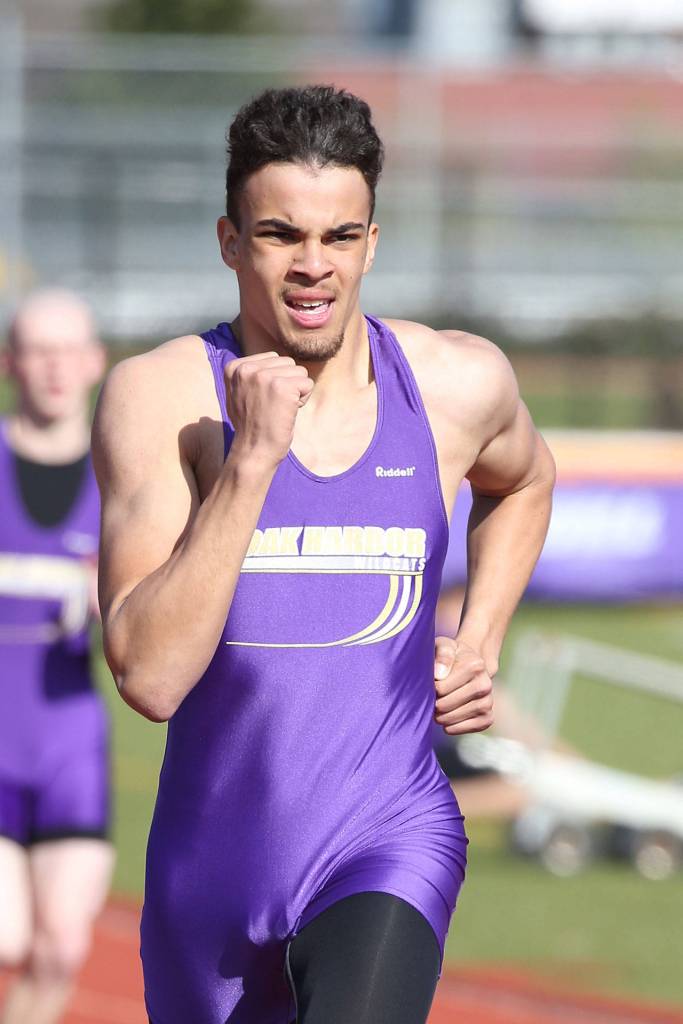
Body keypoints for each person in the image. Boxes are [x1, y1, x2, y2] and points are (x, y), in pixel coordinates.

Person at [93, 85, 555, 1024]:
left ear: (371, 244)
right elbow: (149, 675)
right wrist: (250, 464)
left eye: (340, 237)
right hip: (212, 871)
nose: (314, 267)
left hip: (388, 835)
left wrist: (479, 640)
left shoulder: (453, 382)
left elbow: (524, 480)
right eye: (281, 236)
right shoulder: (163, 399)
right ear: (230, 242)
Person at [0, 290, 113, 1024]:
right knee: (7, 938)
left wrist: (121, 600)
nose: (55, 368)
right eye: (39, 351)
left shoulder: (123, 475)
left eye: (69, 351)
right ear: (10, 363)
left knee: (61, 949)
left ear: (96, 362)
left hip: (70, 747)